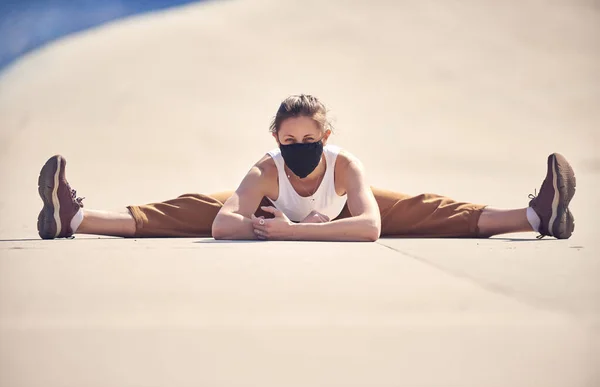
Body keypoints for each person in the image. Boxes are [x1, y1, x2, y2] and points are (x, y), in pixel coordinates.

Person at [36, 94, 576, 242]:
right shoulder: (263, 171)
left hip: (334, 208)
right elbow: (223, 224)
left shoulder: (346, 167)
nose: (299, 146)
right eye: (290, 139)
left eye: (309, 139)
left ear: (326, 139)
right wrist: (282, 225)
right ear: (276, 140)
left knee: (431, 210)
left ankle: (536, 215)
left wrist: (295, 233)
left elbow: (370, 227)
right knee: (184, 211)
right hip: (275, 209)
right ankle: (74, 220)